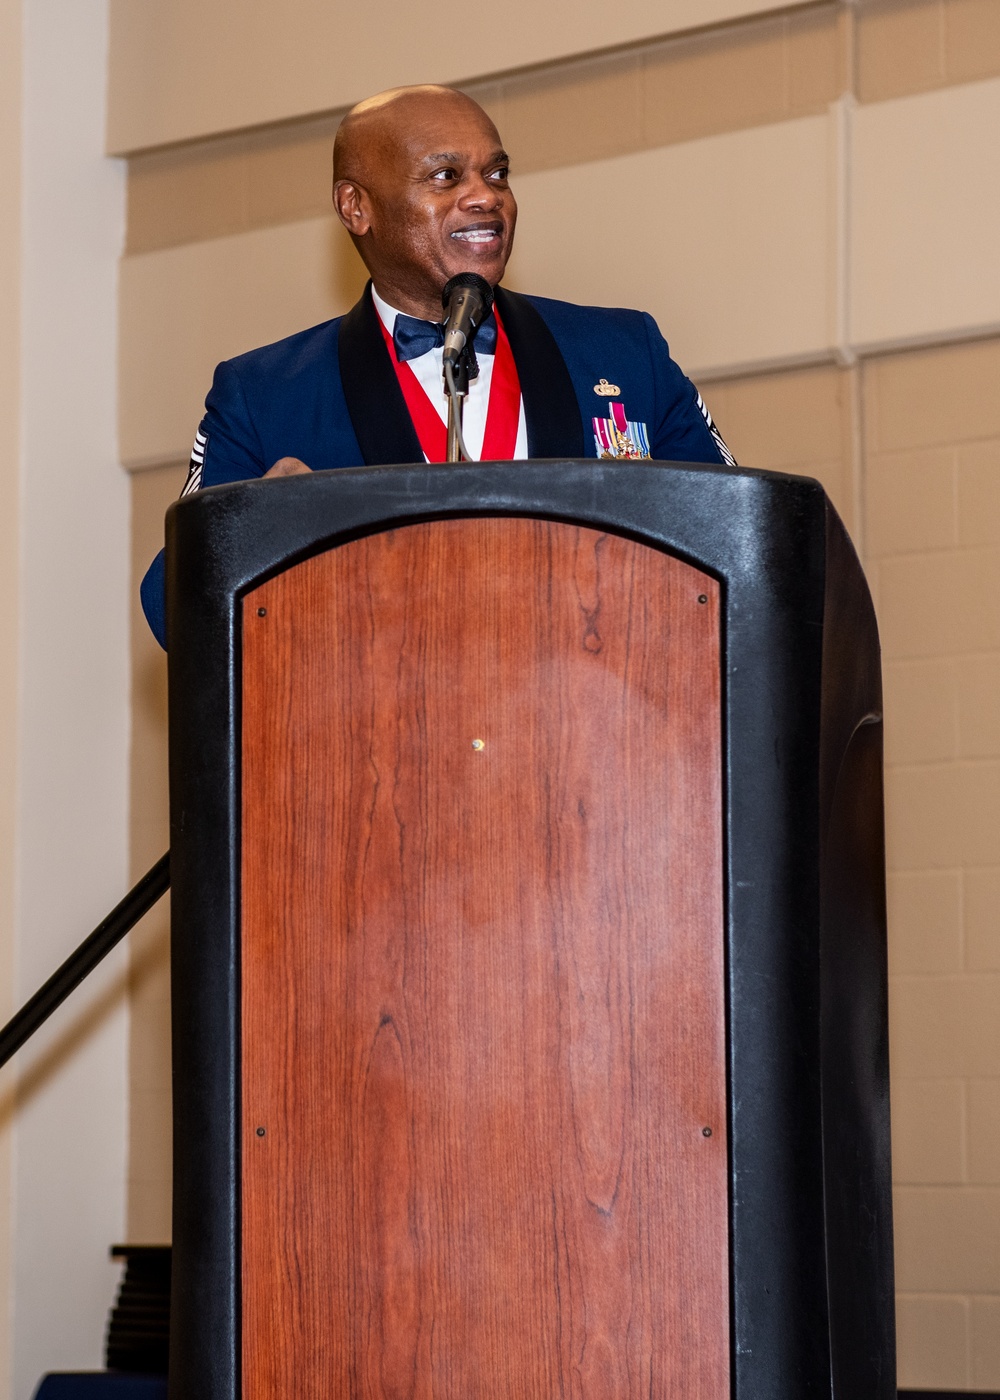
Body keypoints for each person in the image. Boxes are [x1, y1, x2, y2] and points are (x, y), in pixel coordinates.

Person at [140, 84, 734, 646]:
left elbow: (744, 536)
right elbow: (175, 610)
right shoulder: (265, 395)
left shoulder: (624, 353)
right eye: (445, 176)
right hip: (379, 741)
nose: (486, 197)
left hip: (606, 727)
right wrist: (255, 530)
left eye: (496, 173)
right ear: (356, 207)